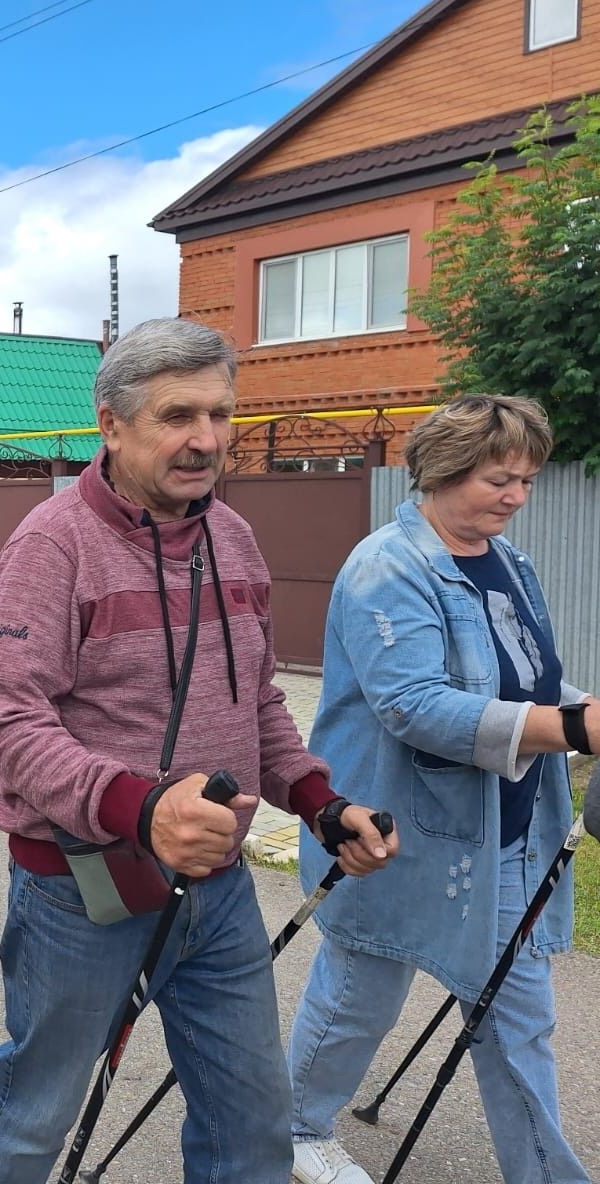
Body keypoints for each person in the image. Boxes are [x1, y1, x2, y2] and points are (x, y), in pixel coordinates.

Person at [0, 318, 396, 1184]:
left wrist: (317, 802)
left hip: (216, 885)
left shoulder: (232, 537)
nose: (206, 440)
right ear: (111, 424)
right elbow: (10, 720)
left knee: (251, 1119)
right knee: (39, 1107)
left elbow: (254, 697)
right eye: (178, 415)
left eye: (221, 415)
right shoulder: (53, 544)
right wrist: (143, 809)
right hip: (82, 882)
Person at [285, 395, 592, 1184]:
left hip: (504, 831)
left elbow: (528, 681)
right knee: (362, 995)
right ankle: (294, 1127)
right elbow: (413, 704)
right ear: (445, 470)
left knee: (517, 1017)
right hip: (391, 832)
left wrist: (580, 709)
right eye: (500, 478)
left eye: (526, 479)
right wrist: (574, 731)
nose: (517, 496)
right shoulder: (389, 566)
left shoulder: (509, 561)